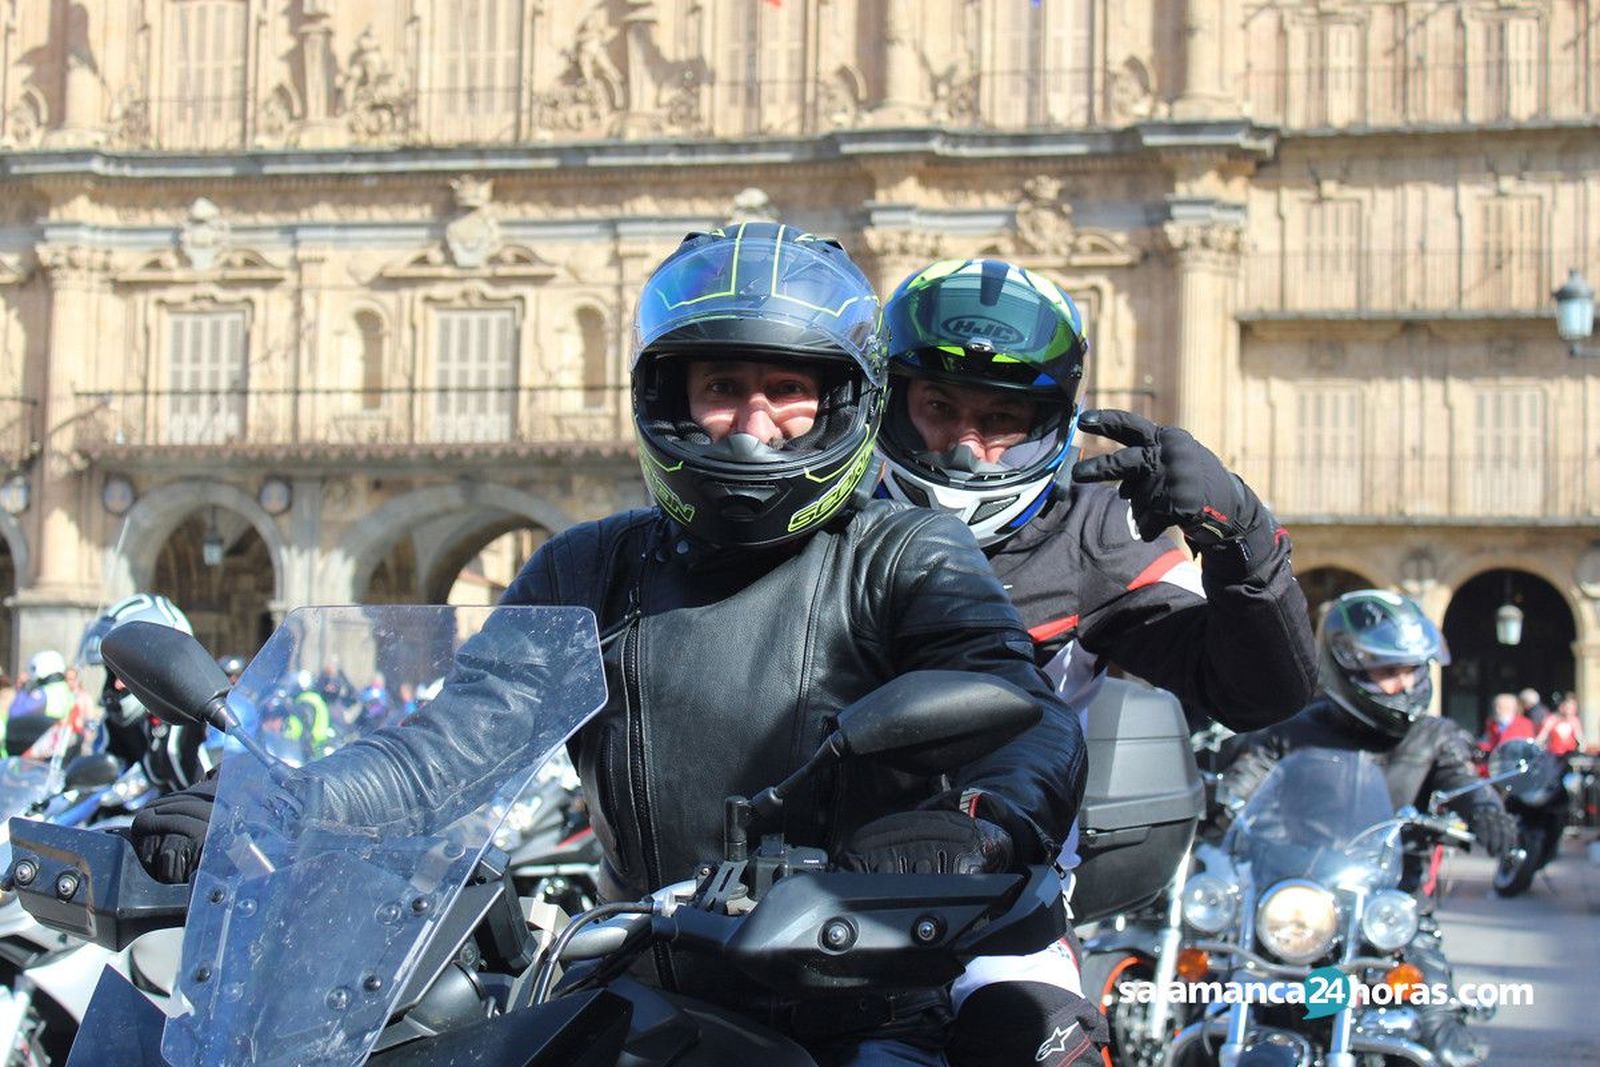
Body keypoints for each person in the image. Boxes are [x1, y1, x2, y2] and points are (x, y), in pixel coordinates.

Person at [131, 223, 1085, 1066]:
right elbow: (446, 751)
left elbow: (1016, 710)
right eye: (723, 387)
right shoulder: (590, 566)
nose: (755, 423)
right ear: (670, 397)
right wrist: (284, 802)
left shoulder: (903, 551)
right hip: (634, 990)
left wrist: (969, 825)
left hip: (864, 1001)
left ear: (840, 403)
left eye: (788, 389)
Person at [872, 257, 1317, 1064]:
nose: (969, 445)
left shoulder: (1099, 531)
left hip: (997, 909)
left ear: (1050, 421)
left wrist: (1244, 542)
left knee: (1046, 1044)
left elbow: (1256, 692)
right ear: (894, 399)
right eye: (940, 406)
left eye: (1002, 416)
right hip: (791, 884)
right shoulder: (829, 504)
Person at [1222, 590, 1517, 1067]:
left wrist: (1486, 809)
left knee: (1440, 1043)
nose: (1405, 684)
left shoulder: (1434, 736)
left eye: (1412, 669)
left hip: (1391, 915)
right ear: (1346, 668)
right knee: (1221, 1009)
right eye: (1389, 671)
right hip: (1304, 912)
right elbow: (1245, 778)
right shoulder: (1292, 730)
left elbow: (1463, 779)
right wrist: (1218, 802)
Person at [78, 594, 217, 795]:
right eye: (112, 672)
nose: (116, 685)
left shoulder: (202, 725)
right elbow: (99, 781)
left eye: (126, 672)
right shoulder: (120, 724)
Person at [1537, 694, 1584, 759]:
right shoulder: (1551, 720)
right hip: (1554, 755)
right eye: (1568, 708)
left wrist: (1581, 752)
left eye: (1573, 708)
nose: (1570, 711)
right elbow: (1541, 738)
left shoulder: (1574, 721)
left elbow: (1580, 739)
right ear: (1562, 706)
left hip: (1569, 756)